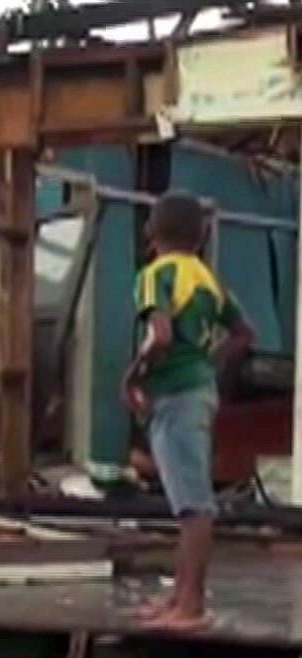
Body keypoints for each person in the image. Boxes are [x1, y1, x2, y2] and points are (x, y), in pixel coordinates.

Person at [122, 191, 254, 631]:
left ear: (151, 232)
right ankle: (178, 598)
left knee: (193, 506)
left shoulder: (154, 275)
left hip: (176, 395)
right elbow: (242, 333)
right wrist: (207, 361)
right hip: (196, 389)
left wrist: (133, 375)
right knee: (186, 502)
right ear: (200, 237)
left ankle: (190, 606)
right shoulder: (206, 278)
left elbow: (159, 335)